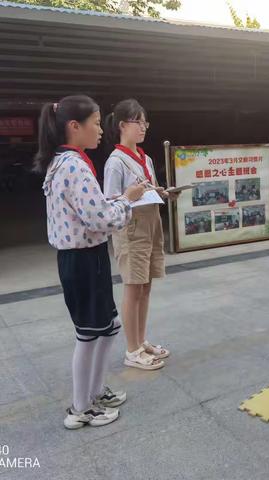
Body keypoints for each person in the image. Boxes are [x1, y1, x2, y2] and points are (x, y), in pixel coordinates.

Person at [37, 95, 146, 429]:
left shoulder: (66, 160)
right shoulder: (74, 165)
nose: (101, 130)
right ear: (75, 126)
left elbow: (88, 207)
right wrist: (127, 200)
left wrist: (113, 200)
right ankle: (80, 408)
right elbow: (99, 219)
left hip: (86, 258)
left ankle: (95, 392)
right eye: (96, 123)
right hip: (83, 260)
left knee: (107, 327)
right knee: (89, 333)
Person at [104, 98, 176, 371]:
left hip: (151, 221)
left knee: (146, 286)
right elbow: (111, 202)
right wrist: (130, 196)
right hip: (131, 226)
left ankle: (140, 340)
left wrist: (162, 192)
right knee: (133, 287)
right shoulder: (116, 161)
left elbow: (147, 189)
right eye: (138, 121)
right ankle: (132, 349)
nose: (144, 127)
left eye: (145, 121)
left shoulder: (144, 157)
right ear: (123, 125)